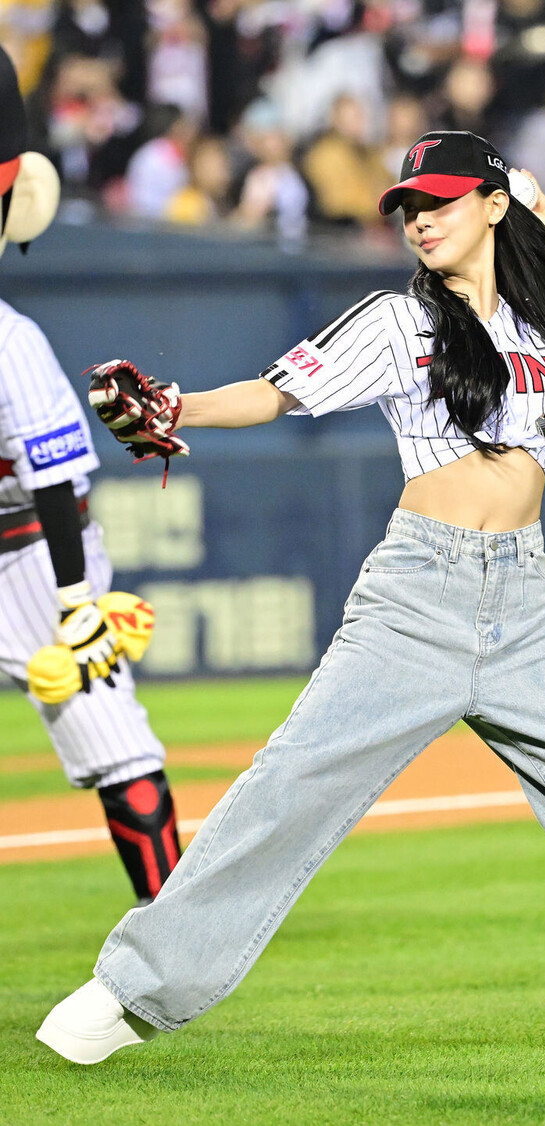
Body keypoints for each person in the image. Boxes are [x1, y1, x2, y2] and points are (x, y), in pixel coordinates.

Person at [37, 129, 545, 1063]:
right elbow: (277, 393)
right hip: (418, 598)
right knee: (289, 788)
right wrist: (178, 405)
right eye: (409, 207)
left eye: (440, 200)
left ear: (491, 204)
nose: (421, 219)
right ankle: (129, 988)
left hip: (527, 609)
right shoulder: (402, 323)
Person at [0, 45, 181, 906]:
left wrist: (77, 604)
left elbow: (53, 472)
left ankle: (169, 932)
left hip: (34, 554)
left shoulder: (10, 338)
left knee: (112, 736)